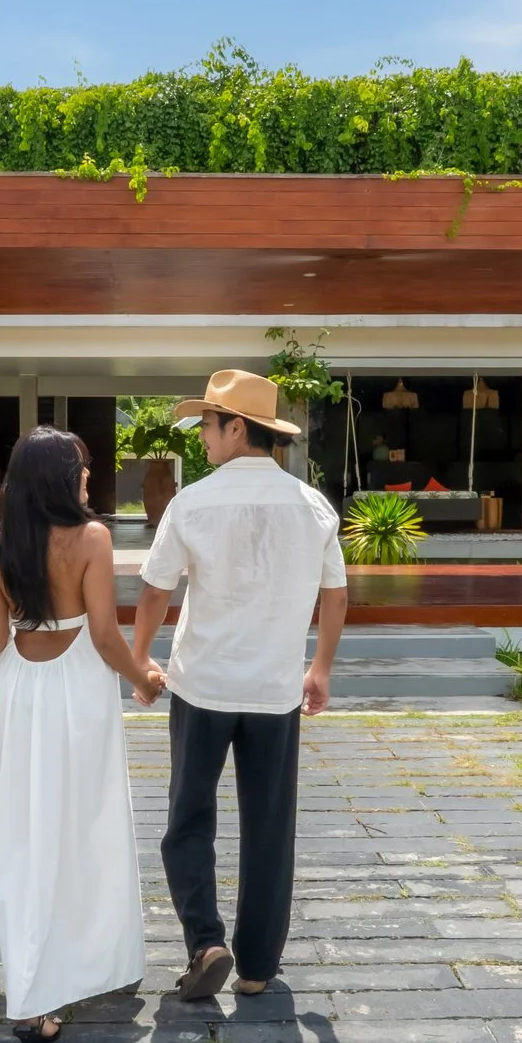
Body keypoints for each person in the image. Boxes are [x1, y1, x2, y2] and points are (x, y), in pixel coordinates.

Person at [130, 369, 348, 1001]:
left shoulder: (193, 502)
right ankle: (255, 968)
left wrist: (141, 660)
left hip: (201, 687)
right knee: (270, 827)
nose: (201, 435)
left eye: (206, 423)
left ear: (236, 428)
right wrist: (321, 669)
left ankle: (206, 942)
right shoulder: (313, 507)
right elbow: (334, 597)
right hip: (275, 690)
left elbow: (154, 590)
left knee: (189, 821)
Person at [0, 427, 163, 1043]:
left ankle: (37, 985)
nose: (88, 477)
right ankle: (84, 967)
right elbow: (106, 635)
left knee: (28, 833)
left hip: (22, 696)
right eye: (82, 467)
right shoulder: (92, 538)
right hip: (80, 688)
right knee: (92, 821)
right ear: (62, 477)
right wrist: (145, 679)